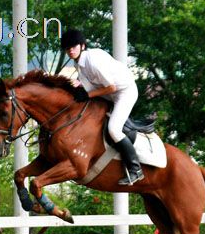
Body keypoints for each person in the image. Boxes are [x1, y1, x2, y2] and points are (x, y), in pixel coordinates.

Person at [60, 29, 143, 185]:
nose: (70, 50)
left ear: (82, 45)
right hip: (109, 93)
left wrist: (88, 95)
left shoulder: (92, 60)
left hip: (124, 92)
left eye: (73, 46)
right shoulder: (79, 63)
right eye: (67, 48)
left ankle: (135, 169)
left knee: (113, 129)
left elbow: (111, 87)